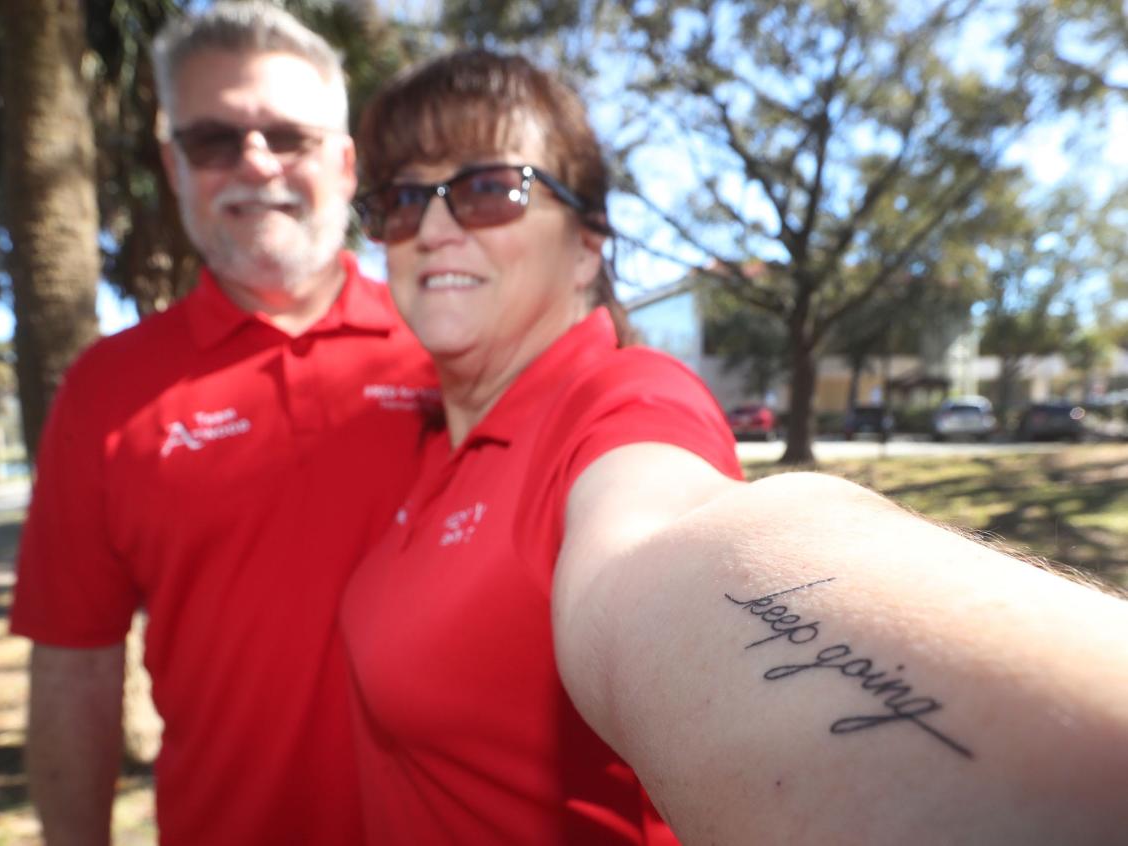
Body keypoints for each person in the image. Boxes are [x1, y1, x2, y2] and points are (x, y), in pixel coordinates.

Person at [341, 48, 1128, 844]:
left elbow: (662, 538)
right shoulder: (415, 445)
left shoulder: (621, 400)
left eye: (486, 189)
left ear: (587, 244)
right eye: (401, 201)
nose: (434, 228)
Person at [9, 4, 433, 844]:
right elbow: (73, 667)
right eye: (213, 141)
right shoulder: (107, 390)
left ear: (345, 164)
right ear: (173, 166)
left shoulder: (453, 348)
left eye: (289, 135)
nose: (254, 162)